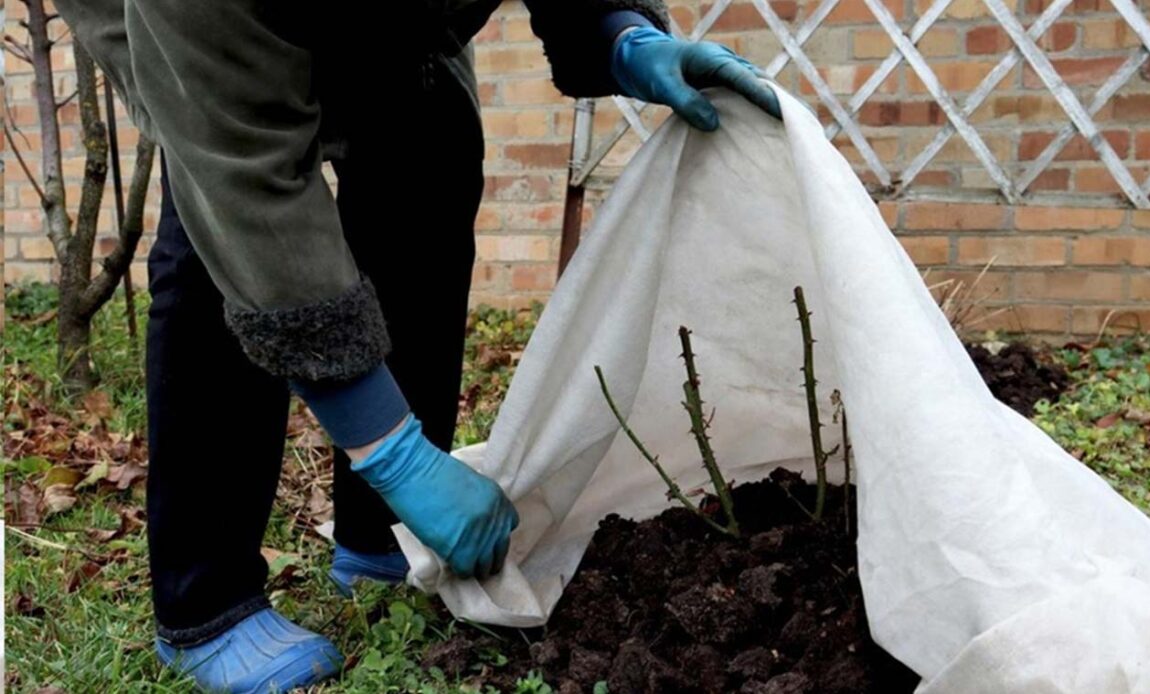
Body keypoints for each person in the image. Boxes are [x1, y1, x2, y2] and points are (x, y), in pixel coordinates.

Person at [53, 1, 784, 691]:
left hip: (393, 16)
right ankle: (204, 604)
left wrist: (617, 30)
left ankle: (380, 540)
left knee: (430, 140)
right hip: (187, 25)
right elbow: (246, 181)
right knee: (218, 228)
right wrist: (391, 452)